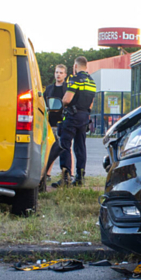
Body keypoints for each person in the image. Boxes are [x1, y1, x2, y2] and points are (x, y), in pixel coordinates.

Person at [51, 56, 96, 188]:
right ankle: (80, 177)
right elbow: (91, 104)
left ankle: (66, 177)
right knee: (80, 147)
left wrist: (63, 104)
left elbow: (67, 99)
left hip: (72, 116)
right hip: (84, 117)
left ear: (75, 66)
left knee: (64, 145)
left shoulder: (75, 79)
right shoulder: (92, 82)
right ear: (86, 66)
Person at [42, 64, 69, 182]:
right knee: (50, 149)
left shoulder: (68, 88)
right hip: (50, 123)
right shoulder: (48, 89)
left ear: (65, 75)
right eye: (57, 72)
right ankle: (47, 174)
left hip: (63, 123)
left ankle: (67, 173)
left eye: (61, 72)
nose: (58, 74)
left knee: (65, 149)